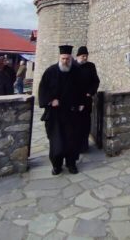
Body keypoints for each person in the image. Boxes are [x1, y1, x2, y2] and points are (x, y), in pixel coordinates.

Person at [38, 45, 85, 175]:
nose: (65, 61)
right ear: (59, 58)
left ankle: (71, 164)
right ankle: (56, 165)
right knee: (56, 142)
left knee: (72, 140)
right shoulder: (50, 71)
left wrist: (82, 102)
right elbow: (43, 89)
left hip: (71, 113)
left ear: (71, 58)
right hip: (55, 114)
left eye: (67, 59)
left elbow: (81, 88)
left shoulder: (76, 71)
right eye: (63, 58)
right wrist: (50, 100)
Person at [75, 46, 100, 153]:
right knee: (75, 124)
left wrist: (90, 92)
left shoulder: (91, 66)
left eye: (86, 56)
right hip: (74, 101)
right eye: (83, 56)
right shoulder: (72, 66)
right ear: (78, 56)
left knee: (85, 124)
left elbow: (96, 81)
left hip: (86, 100)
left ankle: (84, 146)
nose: (85, 58)